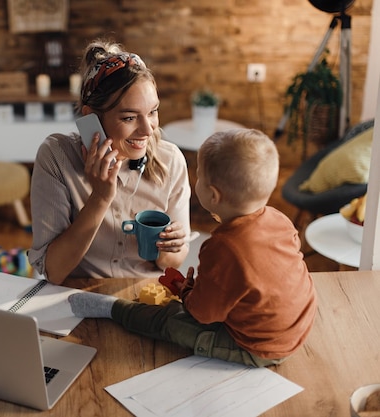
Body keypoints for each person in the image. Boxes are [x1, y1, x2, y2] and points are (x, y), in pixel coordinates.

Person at [68, 128, 317, 367]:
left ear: (213, 195)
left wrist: (187, 293)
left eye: (199, 174)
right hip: (300, 325)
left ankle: (114, 309)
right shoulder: (279, 219)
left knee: (172, 321)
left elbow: (203, 314)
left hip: (259, 348)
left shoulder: (221, 247)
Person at [28, 40, 191, 285]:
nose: (148, 129)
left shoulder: (172, 161)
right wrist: (101, 197)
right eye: (129, 117)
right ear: (91, 118)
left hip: (145, 295)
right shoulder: (57, 158)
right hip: (79, 295)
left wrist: (171, 247)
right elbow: (54, 271)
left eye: (153, 112)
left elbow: (171, 263)